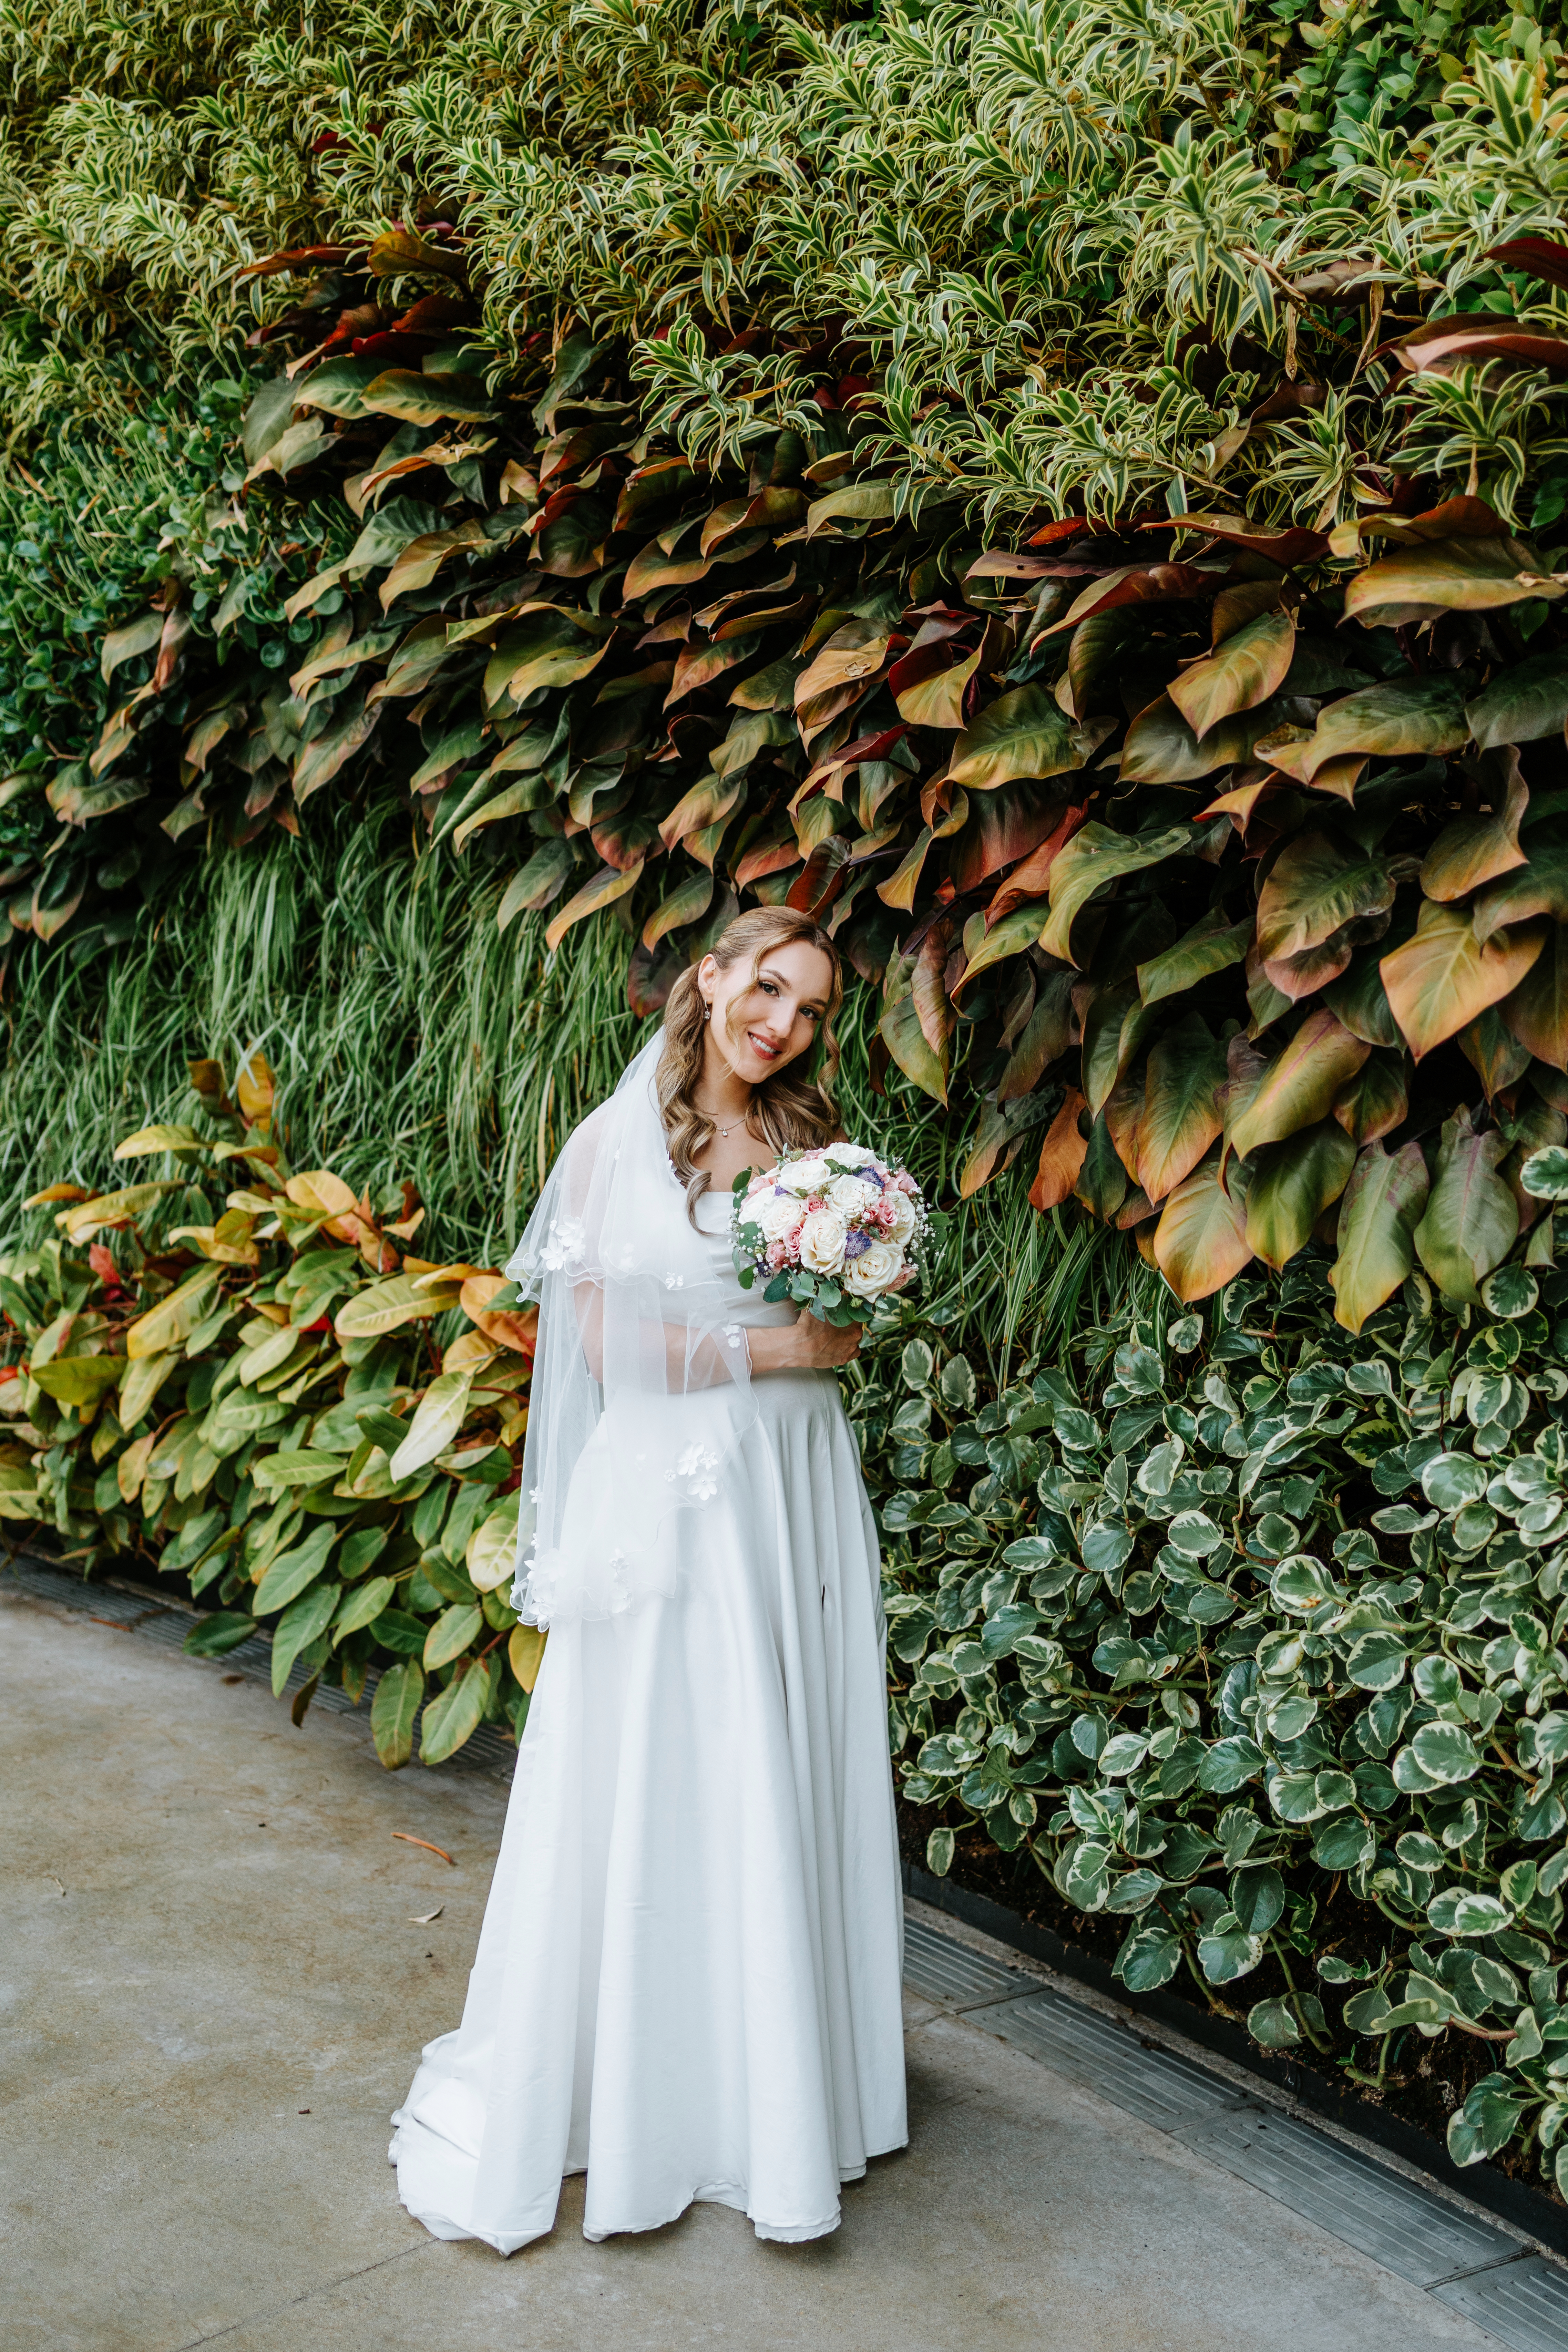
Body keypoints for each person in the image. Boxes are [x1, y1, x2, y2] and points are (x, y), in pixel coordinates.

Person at [390, 905, 908, 2251]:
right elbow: (606, 1348)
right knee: (679, 1765)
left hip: (796, 1487)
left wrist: (850, 1289)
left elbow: (830, 1305)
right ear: (712, 978)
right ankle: (661, 2092)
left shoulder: (811, 1147)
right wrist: (778, 1358)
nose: (783, 1022)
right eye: (768, 988)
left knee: (785, 1758)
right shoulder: (613, 1143)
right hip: (682, 1494)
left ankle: (791, 2089)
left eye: (808, 1009)